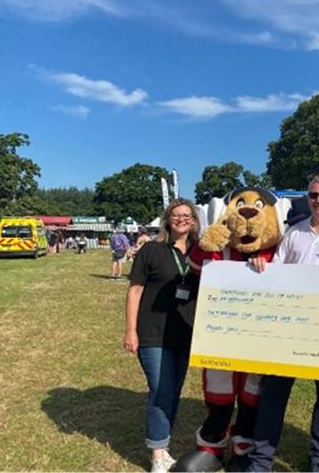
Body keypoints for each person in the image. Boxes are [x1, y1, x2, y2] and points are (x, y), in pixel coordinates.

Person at [244, 174, 319, 472]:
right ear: (307, 198)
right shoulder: (295, 232)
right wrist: (261, 266)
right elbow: (277, 274)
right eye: (313, 195)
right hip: (291, 327)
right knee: (274, 393)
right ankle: (261, 460)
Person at [123, 199, 201, 473]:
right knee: (161, 389)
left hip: (186, 334)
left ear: (194, 221)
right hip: (152, 332)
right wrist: (131, 331)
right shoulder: (152, 250)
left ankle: (163, 447)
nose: (181, 219)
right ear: (168, 220)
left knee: (174, 390)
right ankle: (157, 453)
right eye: (176, 215)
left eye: (187, 216)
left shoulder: (200, 253)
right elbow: (134, 291)